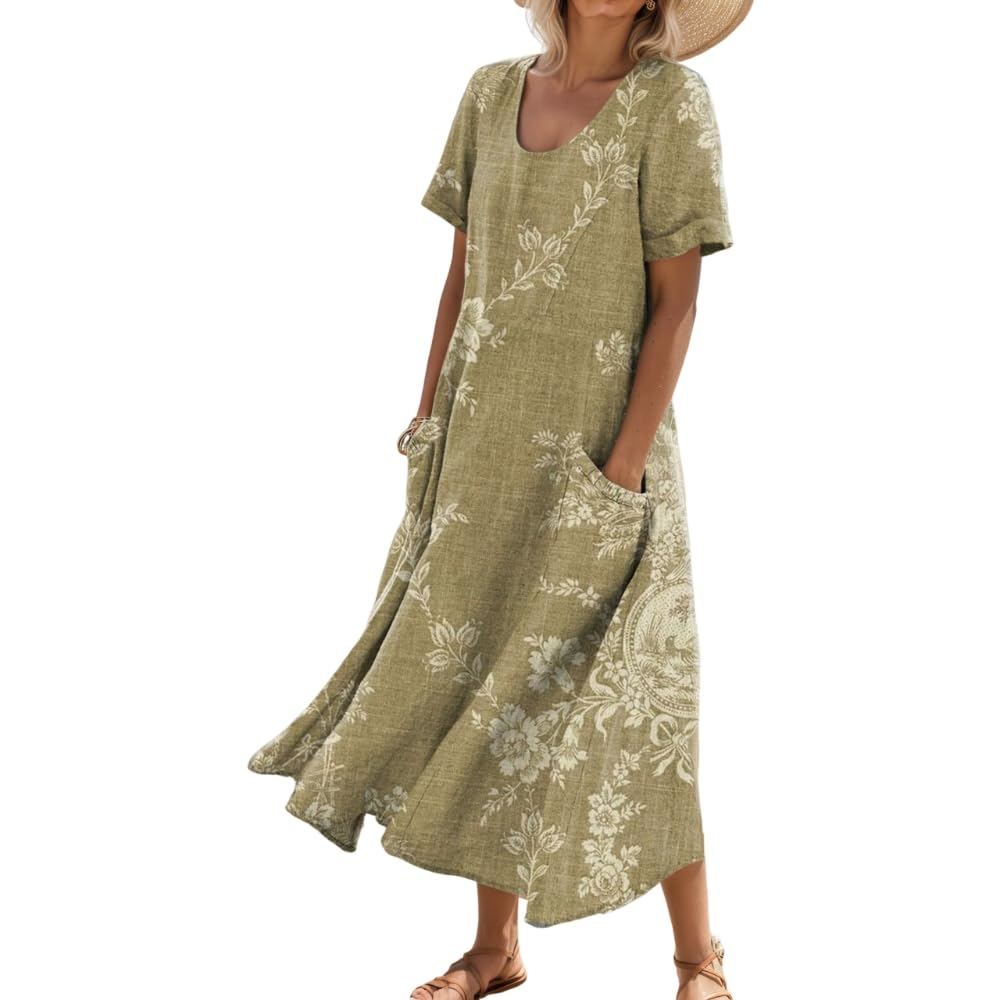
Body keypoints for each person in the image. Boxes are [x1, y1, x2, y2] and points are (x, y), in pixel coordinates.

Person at [247, 1, 752, 997]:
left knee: (633, 704)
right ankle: (495, 951)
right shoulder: (487, 94)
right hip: (482, 453)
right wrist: (429, 418)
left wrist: (623, 468)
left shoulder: (672, 103)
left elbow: (678, 301)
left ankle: (700, 958)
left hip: (606, 456)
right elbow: (462, 277)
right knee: (491, 691)